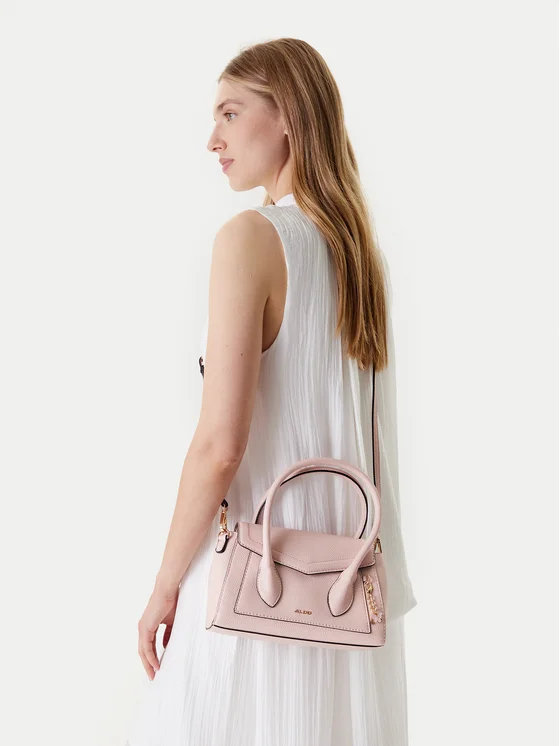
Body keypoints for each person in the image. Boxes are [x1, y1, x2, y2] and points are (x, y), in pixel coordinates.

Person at [126, 37, 418, 746]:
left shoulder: (252, 238)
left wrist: (164, 585)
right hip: (345, 591)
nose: (213, 139)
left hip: (253, 586)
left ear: (285, 114)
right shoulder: (360, 255)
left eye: (230, 113)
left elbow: (220, 446)